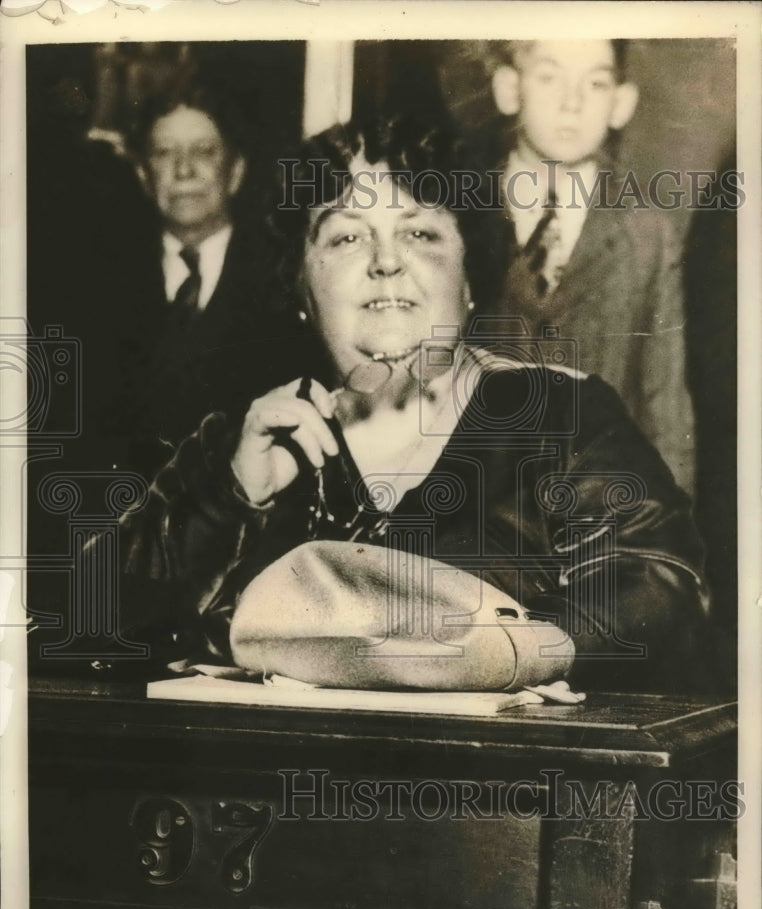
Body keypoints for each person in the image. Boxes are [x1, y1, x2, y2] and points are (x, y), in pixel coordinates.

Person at [111, 115, 710, 694]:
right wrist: (228, 499)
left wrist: (513, 653)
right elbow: (86, 620)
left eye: (419, 233)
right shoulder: (247, 442)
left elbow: (663, 591)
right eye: (347, 236)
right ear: (301, 287)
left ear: (469, 275)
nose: (385, 260)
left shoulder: (560, 414)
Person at [484, 39, 696, 496]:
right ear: (509, 88)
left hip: (603, 517)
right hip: (473, 509)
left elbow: (665, 409)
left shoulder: (647, 235)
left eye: (596, 83)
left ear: (621, 103)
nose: (572, 102)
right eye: (549, 77)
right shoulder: (455, 215)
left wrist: (673, 528)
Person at [121, 77, 298, 456]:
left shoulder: (285, 281)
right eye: (164, 152)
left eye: (204, 151)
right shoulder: (102, 283)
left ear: (235, 171)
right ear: (143, 175)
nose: (184, 170)